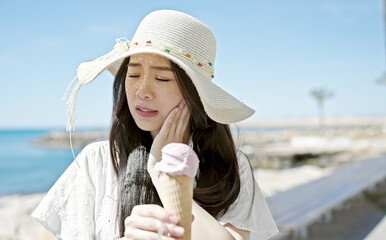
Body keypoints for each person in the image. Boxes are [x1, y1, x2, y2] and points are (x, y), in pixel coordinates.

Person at [31, 9, 279, 240]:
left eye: (162, 78)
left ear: (194, 94)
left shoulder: (228, 166)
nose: (142, 91)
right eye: (134, 74)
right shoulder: (97, 161)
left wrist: (164, 173)